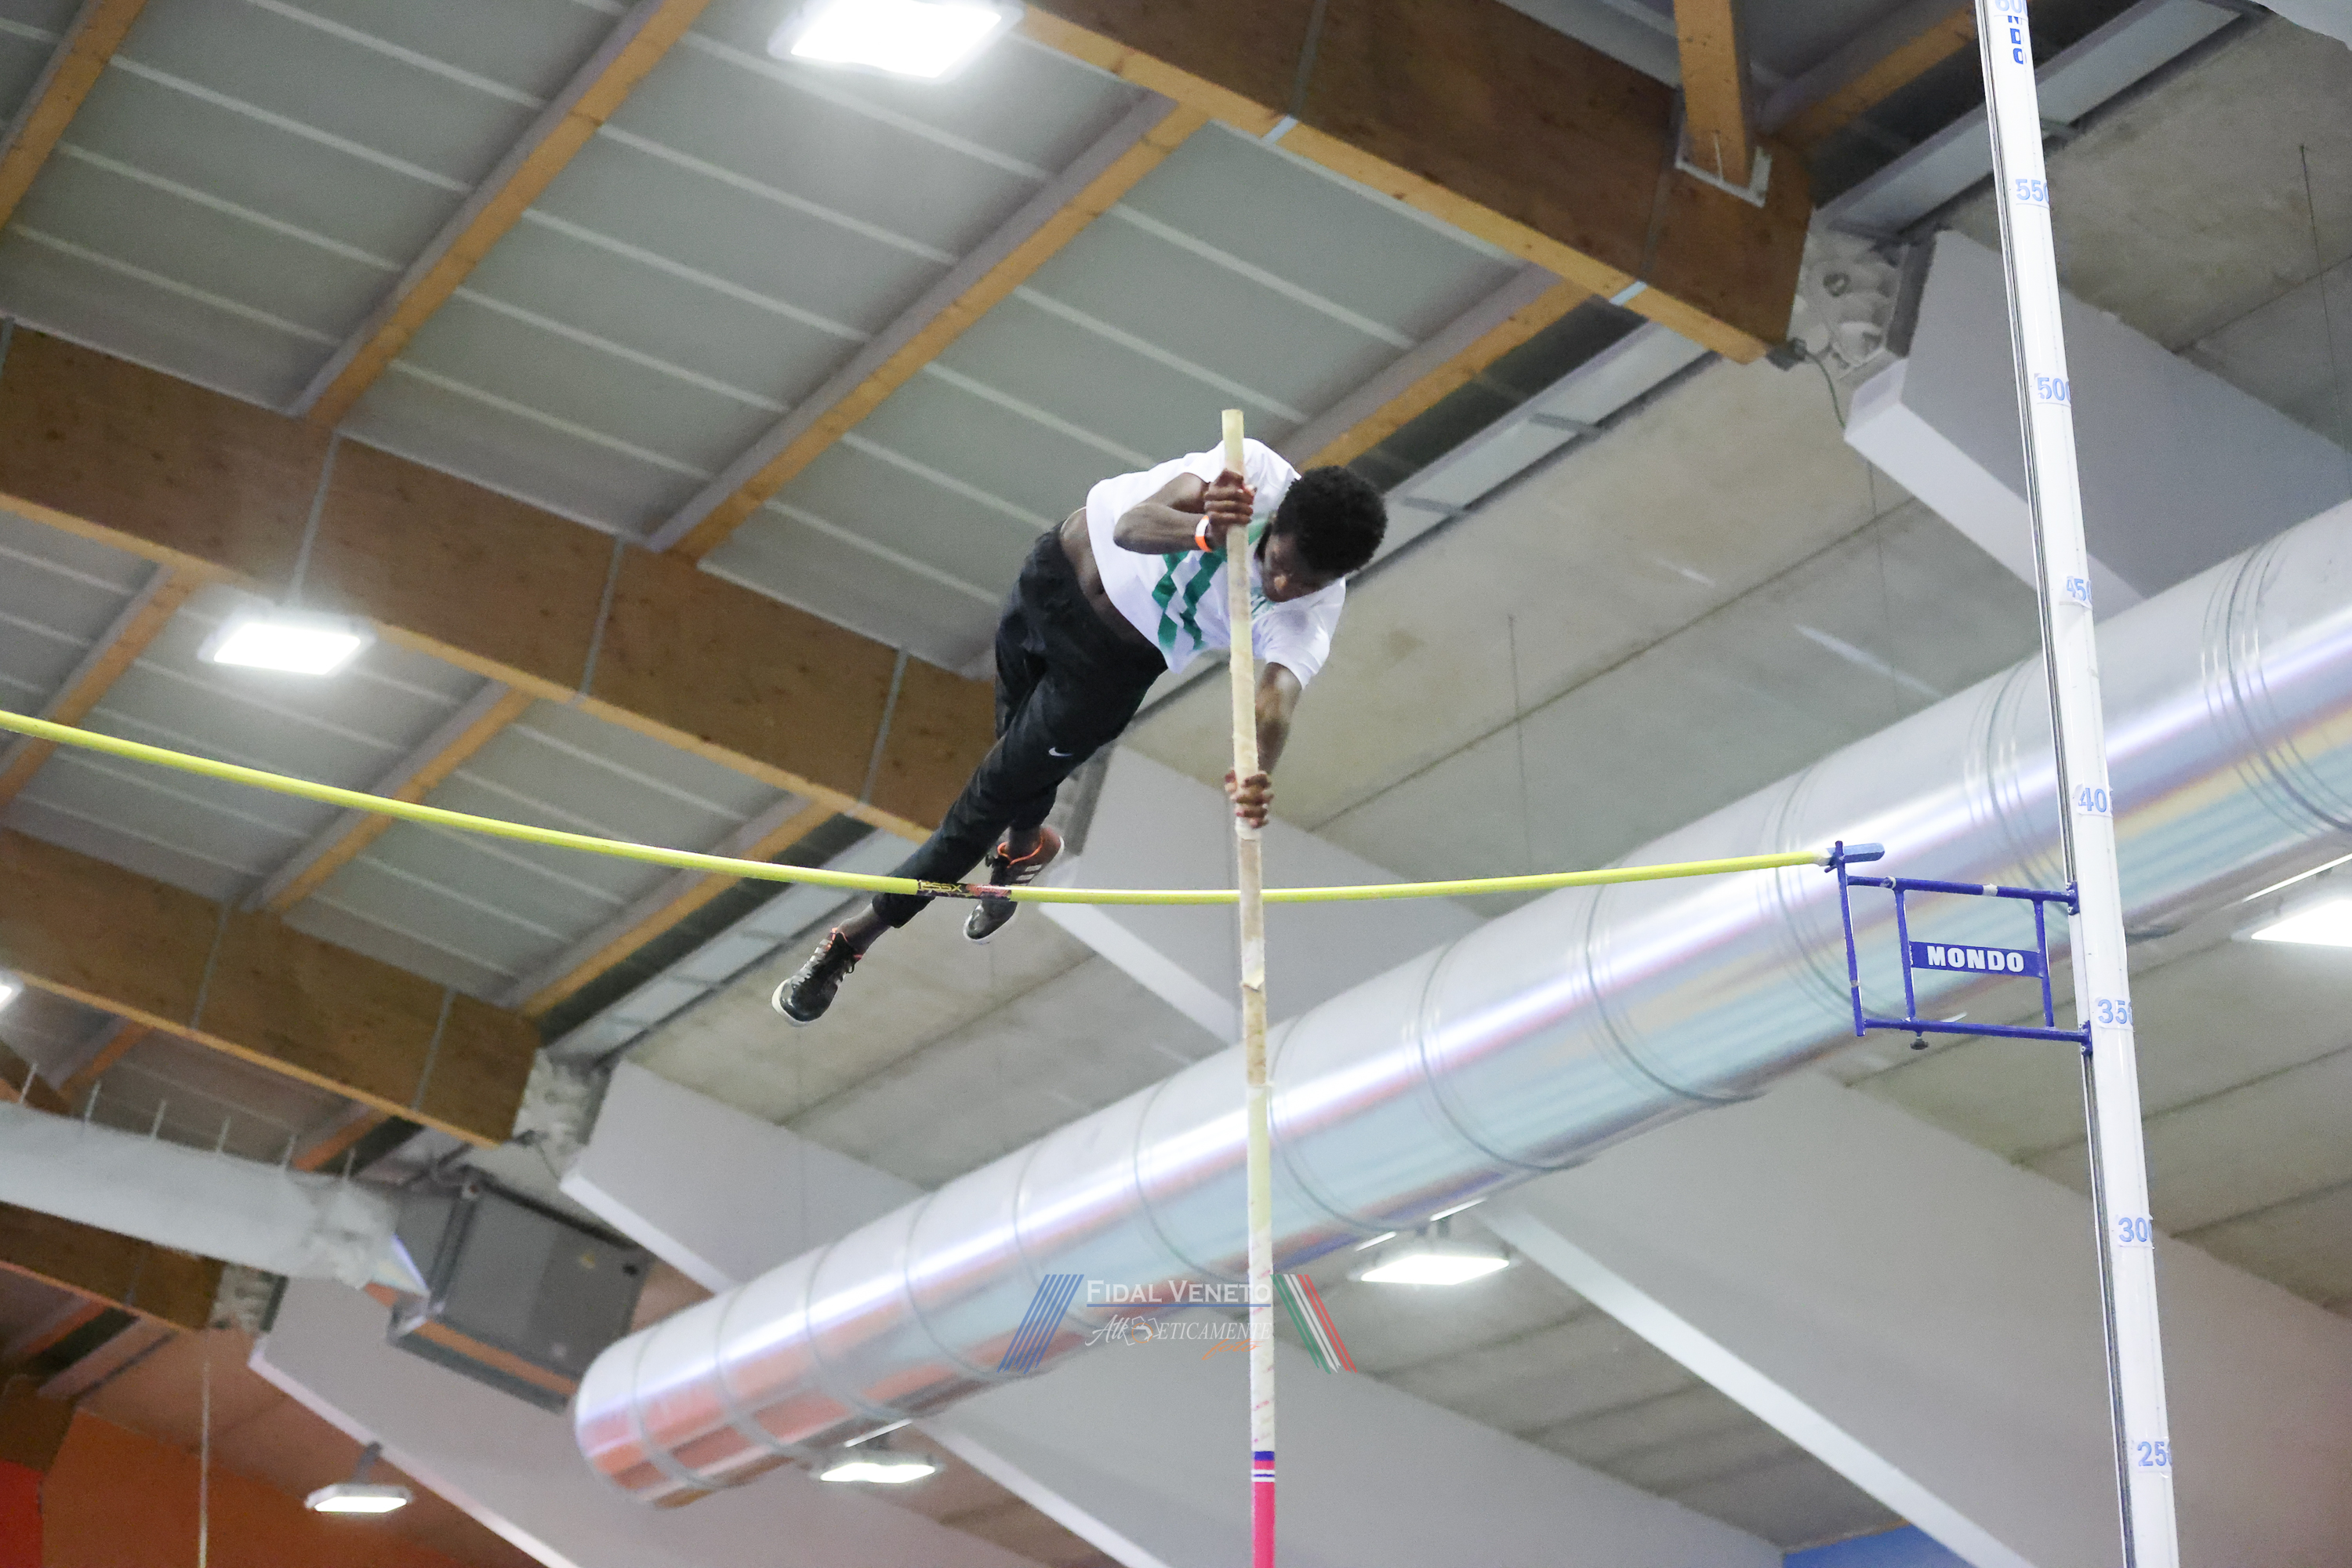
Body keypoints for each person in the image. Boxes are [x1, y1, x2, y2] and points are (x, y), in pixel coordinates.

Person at [773, 438, 1387, 1025]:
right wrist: (1205, 531)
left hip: (1103, 672)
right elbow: (1133, 527)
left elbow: (1274, 703)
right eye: (1281, 567)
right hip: (1050, 575)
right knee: (1013, 751)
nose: (1283, 588)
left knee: (987, 800)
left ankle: (853, 940)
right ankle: (1026, 846)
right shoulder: (1249, 473)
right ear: (1276, 523)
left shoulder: (1311, 612)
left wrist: (1256, 772)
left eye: (1307, 584)